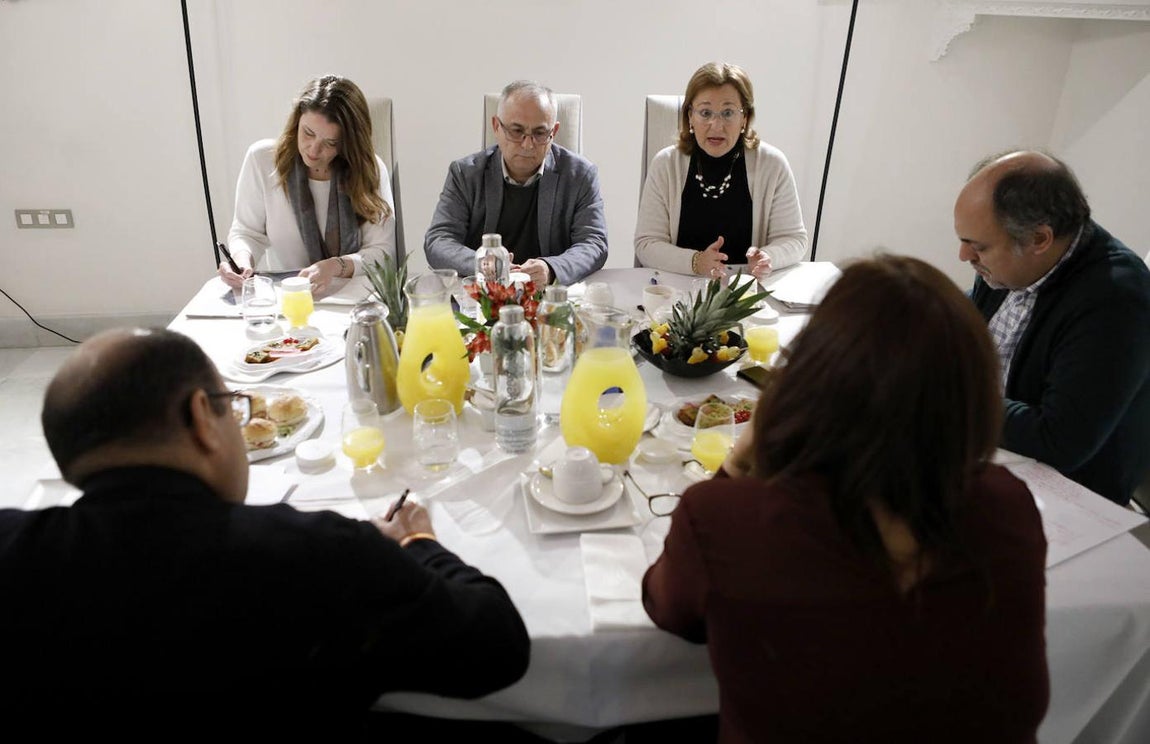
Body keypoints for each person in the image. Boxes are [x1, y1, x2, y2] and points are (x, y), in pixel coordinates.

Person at [0, 328, 528, 740]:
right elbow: (498, 646)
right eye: (233, 406)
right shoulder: (317, 553)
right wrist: (419, 545)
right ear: (202, 417)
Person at [643, 256, 1049, 744]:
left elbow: (667, 607)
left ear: (813, 378)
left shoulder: (727, 519)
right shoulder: (1009, 506)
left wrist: (738, 466)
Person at [955, 150, 1150, 506]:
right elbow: (969, 324)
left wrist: (955, 399)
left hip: (1068, 495)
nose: (964, 256)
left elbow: (1060, 439)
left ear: (1039, 240)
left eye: (978, 246)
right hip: (993, 448)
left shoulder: (1116, 298)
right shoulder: (1005, 264)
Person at [219, 75, 398, 296]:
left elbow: (383, 252)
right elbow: (247, 232)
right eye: (308, 133)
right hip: (287, 297)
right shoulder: (262, 160)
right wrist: (240, 261)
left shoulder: (369, 170)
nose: (313, 150)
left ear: (348, 144)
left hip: (353, 299)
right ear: (296, 122)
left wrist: (335, 266)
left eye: (330, 143)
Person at [424, 80, 608, 287]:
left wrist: (551, 268)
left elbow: (594, 243)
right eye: (516, 131)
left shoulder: (580, 175)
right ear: (496, 126)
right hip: (484, 294)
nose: (527, 144)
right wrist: (482, 263)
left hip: (550, 298)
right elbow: (438, 241)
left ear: (553, 132)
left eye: (539, 133)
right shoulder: (465, 173)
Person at [634, 62, 807, 279]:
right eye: (705, 113)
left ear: (744, 117)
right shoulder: (665, 164)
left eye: (728, 113)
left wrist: (768, 257)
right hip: (678, 291)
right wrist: (696, 262)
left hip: (744, 292)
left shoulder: (772, 164)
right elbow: (646, 244)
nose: (716, 125)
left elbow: (794, 239)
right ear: (690, 116)